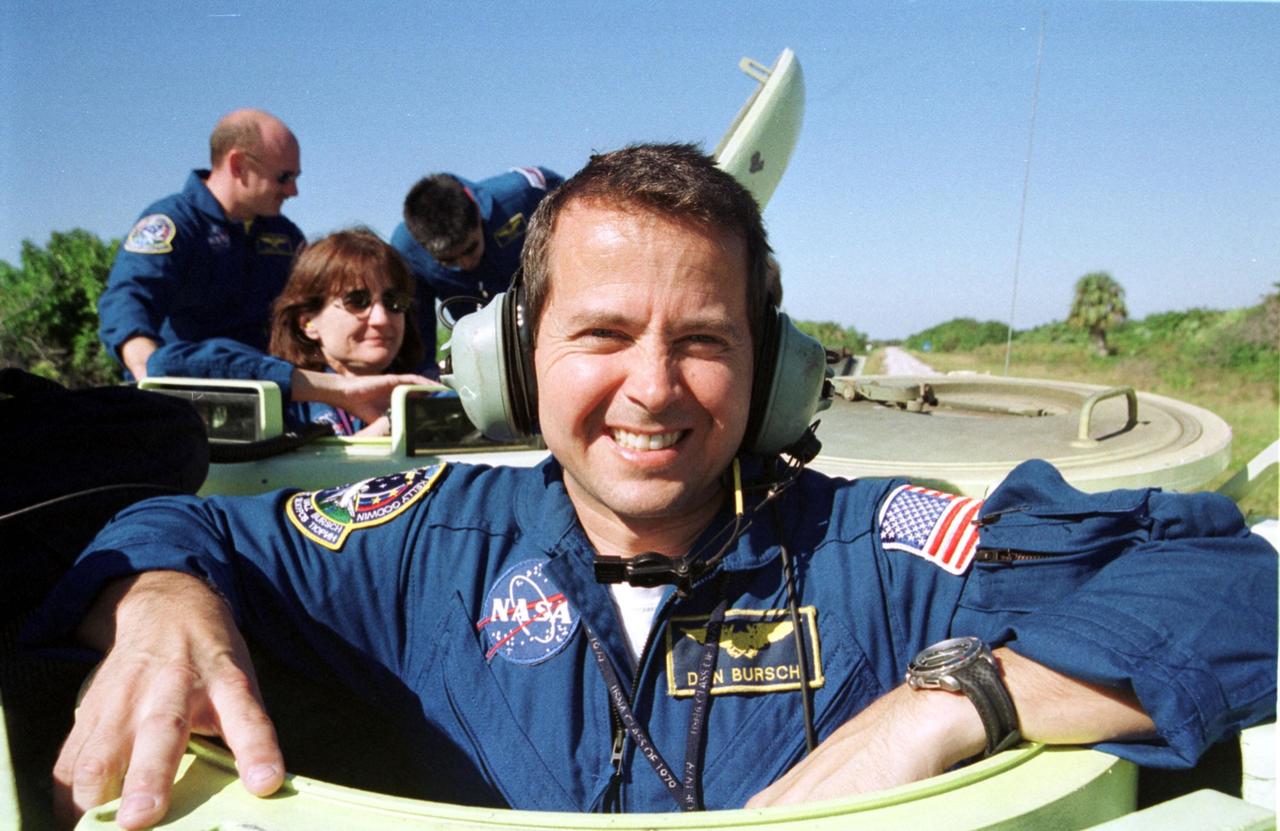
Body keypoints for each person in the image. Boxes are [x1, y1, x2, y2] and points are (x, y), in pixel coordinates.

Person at [30, 144, 1275, 829]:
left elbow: (1231, 581)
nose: (653, 387)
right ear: (513, 359)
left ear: (772, 370)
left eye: (705, 339)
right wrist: (160, 603)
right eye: (601, 334)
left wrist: (952, 701)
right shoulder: (419, 541)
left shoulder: (878, 546)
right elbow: (176, 527)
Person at [145, 228, 434, 436]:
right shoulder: (284, 406)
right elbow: (165, 366)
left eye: (395, 302)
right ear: (308, 322)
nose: (382, 319)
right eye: (357, 301)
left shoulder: (426, 398)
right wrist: (340, 391)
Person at [97, 109, 306, 381]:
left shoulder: (286, 236)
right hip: (192, 393)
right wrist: (146, 367)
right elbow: (130, 296)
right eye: (284, 177)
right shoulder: (174, 223)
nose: (293, 191)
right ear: (238, 166)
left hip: (273, 387)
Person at [389, 166, 563, 372]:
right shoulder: (405, 252)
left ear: (478, 214)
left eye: (470, 249)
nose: (465, 263)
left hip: (552, 322)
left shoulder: (524, 192)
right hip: (486, 347)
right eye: (448, 261)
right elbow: (418, 338)